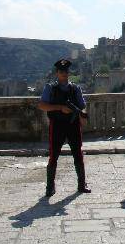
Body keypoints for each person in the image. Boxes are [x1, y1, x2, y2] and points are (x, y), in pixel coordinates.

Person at [38, 59, 91, 197]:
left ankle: (82, 184)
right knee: (53, 155)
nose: (64, 74)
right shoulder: (50, 88)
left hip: (73, 125)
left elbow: (82, 105)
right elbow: (42, 105)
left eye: (66, 71)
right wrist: (60, 108)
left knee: (78, 153)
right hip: (57, 125)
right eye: (61, 71)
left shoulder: (75, 88)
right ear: (57, 73)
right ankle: (50, 187)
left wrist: (82, 113)